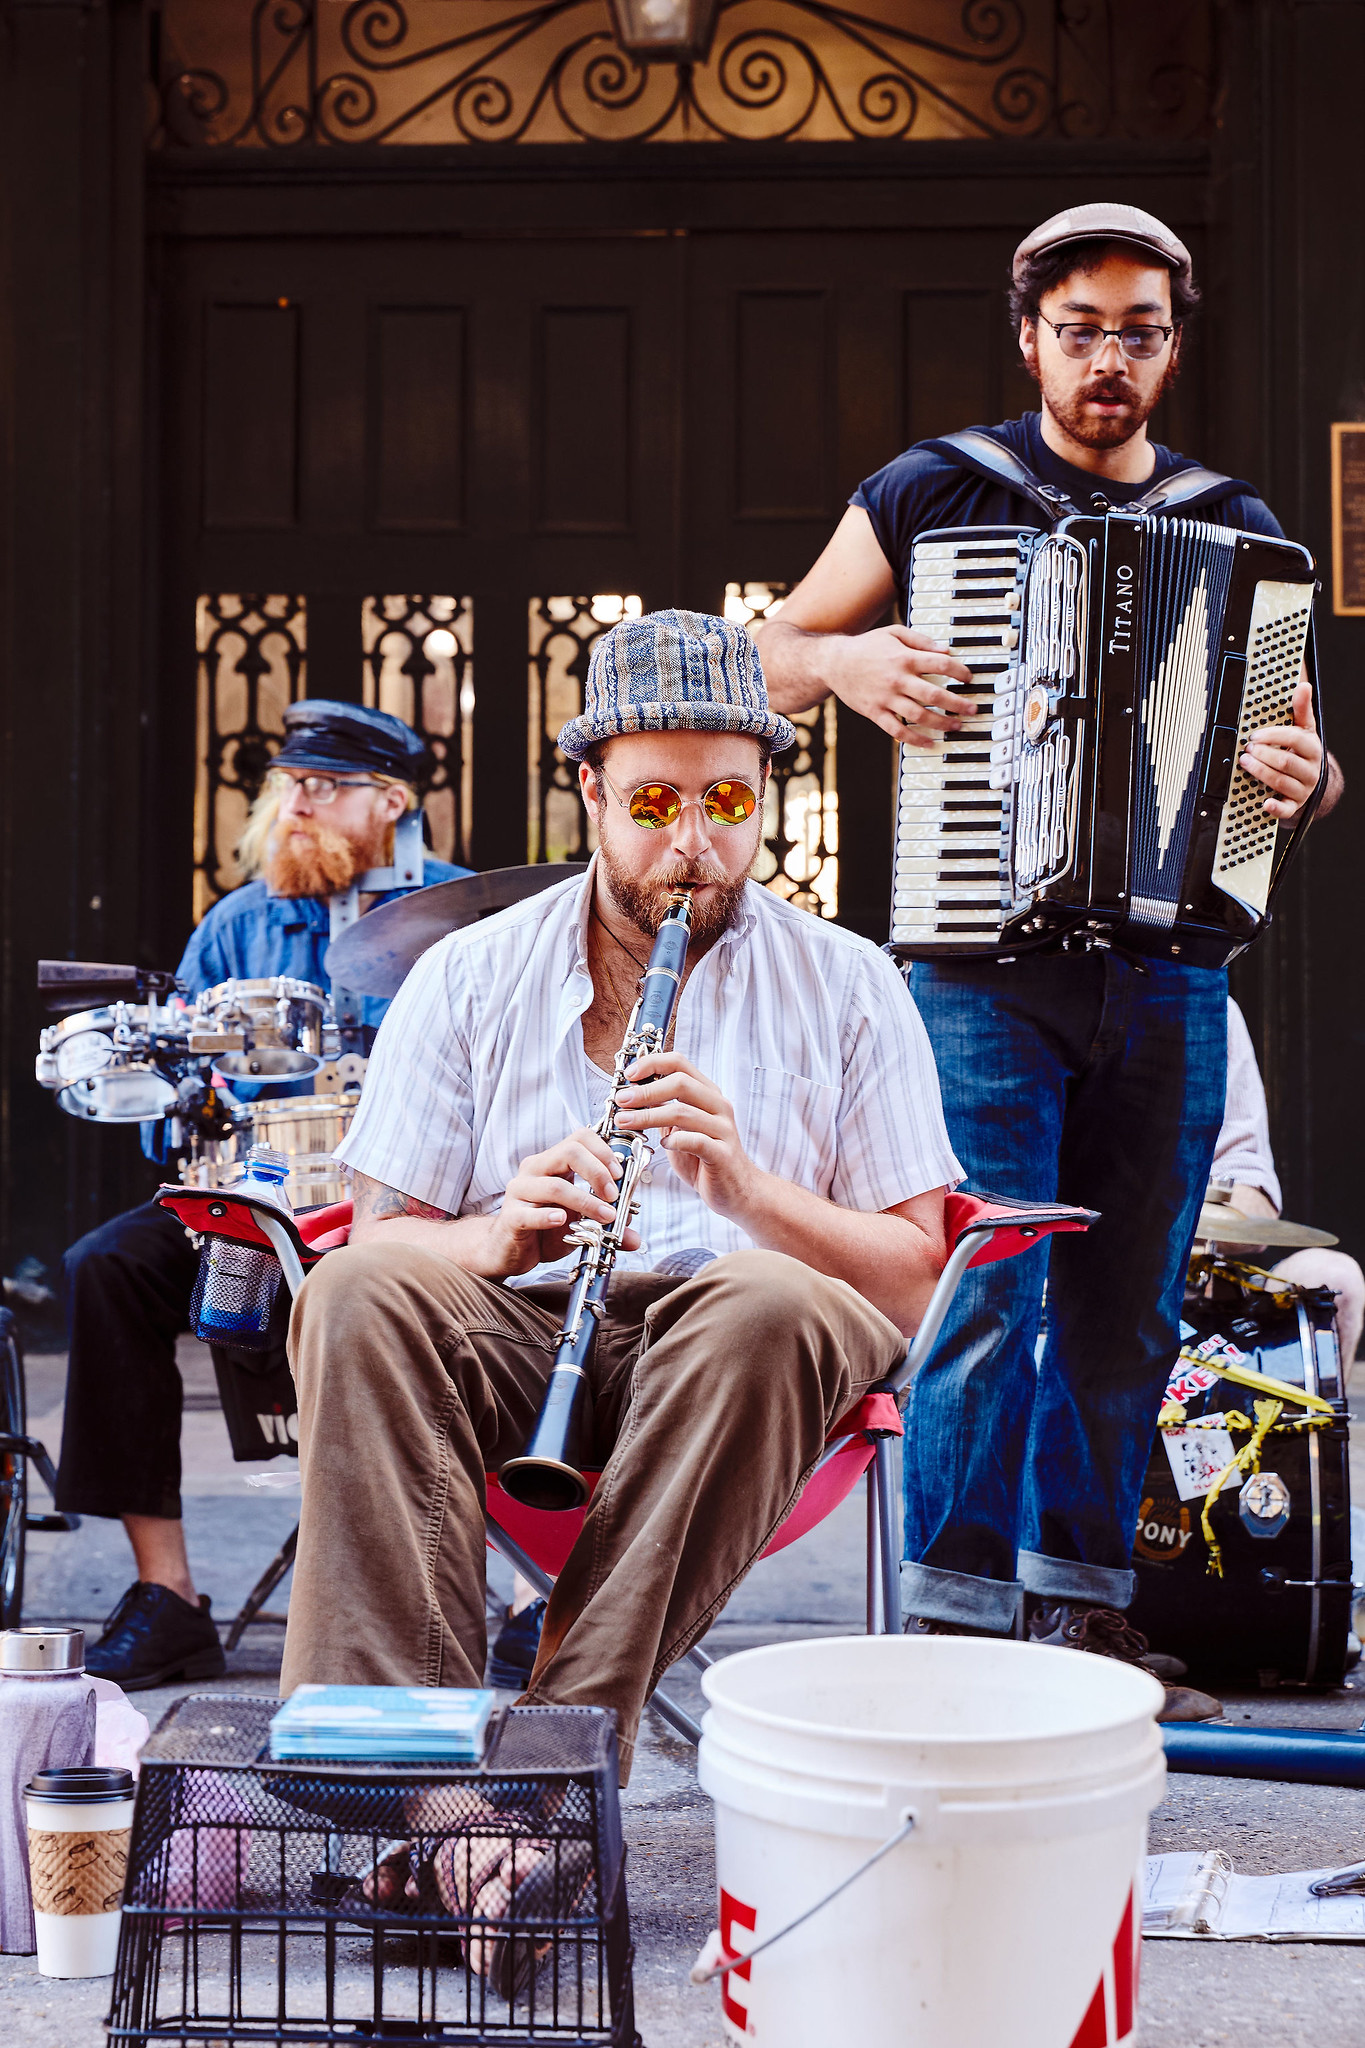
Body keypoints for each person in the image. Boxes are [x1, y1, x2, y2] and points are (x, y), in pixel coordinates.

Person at [751, 204, 1324, 1703]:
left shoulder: (1241, 525)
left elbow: (1300, 767)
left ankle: (1079, 1615)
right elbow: (765, 655)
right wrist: (847, 661)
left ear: (1173, 347)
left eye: (1140, 332)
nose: (1109, 360)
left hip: (1167, 968)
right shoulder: (936, 490)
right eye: (1082, 330)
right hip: (979, 967)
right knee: (982, 1286)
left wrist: (1300, 783)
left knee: (1126, 1304)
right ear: (1031, 338)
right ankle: (951, 1625)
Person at [281, 610, 961, 1804]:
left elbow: (916, 1278)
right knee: (354, 1286)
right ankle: (412, 1790)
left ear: (765, 798)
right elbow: (384, 1240)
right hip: (524, 1327)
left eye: (730, 805)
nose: (694, 844)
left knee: (762, 1290)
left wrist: (749, 1189)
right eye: (654, 806)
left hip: (745, 1359)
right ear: (591, 790)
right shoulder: (468, 972)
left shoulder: (851, 982)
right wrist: (495, 1234)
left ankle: (543, 1777)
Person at [55, 701, 468, 1689]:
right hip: (252, 1199)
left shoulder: (464, 914)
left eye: (326, 787)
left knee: (523, 1278)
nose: (298, 805)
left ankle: (516, 1594)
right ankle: (168, 1595)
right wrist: (187, 1096)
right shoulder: (236, 923)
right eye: (290, 785)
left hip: (403, 1205)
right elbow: (175, 1107)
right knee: (106, 1264)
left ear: (392, 801)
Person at [1211, 999, 1363, 1373]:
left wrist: (1178, 1209)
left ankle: (1320, 1430)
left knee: (1334, 1276)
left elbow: (1255, 1202)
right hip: (1072, 1301)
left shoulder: (1213, 1010)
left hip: (1200, 1301)